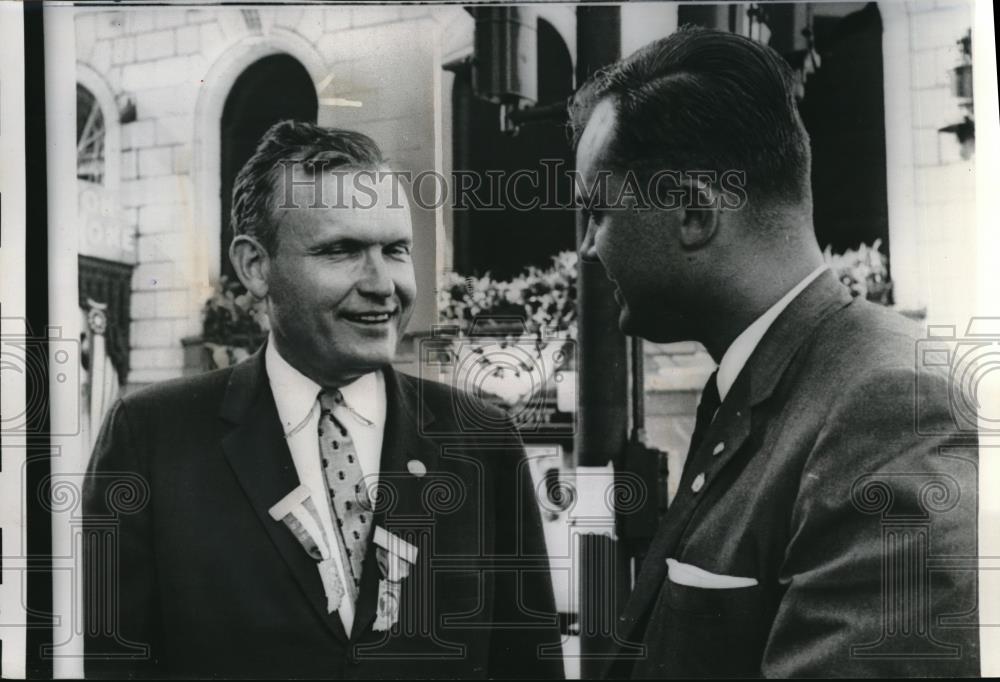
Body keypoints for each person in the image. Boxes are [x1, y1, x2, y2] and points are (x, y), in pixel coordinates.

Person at [82, 120, 563, 679]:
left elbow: (529, 663)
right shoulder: (151, 437)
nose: (382, 283)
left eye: (396, 249)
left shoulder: (480, 441)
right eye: (342, 250)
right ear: (255, 266)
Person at [568, 27, 979, 678]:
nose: (588, 248)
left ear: (693, 211)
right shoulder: (775, 377)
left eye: (598, 210)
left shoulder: (890, 404)